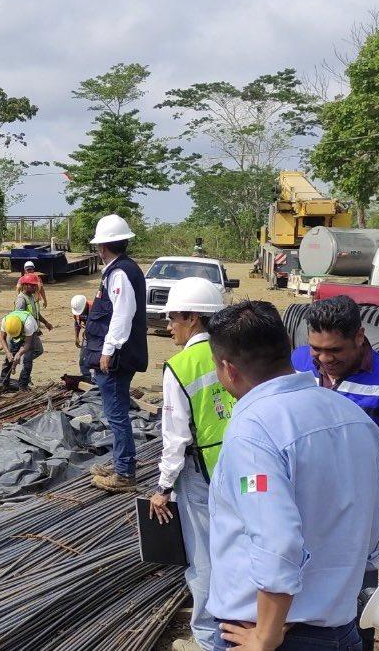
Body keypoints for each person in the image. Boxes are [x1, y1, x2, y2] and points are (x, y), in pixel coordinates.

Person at [205, 300, 379, 651]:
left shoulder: (253, 430)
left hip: (270, 633)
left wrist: (266, 635)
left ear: (228, 368)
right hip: (338, 628)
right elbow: (371, 530)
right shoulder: (353, 417)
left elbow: (278, 540)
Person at [292, 295, 379, 651]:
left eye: (334, 350)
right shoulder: (296, 367)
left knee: (355, 615)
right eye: (316, 349)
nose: (324, 360)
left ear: (359, 336)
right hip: (298, 515)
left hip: (356, 522)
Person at [146, 278, 232, 651]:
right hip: (243, 467)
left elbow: (176, 437)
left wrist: (164, 487)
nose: (168, 327)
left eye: (173, 319)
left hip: (201, 474)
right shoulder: (234, 351)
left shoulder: (181, 366)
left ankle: (210, 637)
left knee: (203, 559)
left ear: (193, 317)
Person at [80, 214, 149, 494]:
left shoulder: (119, 273)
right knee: (116, 412)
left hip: (117, 357)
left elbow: (122, 314)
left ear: (103, 246)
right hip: (119, 353)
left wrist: (108, 351)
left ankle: (124, 473)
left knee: (116, 413)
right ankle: (122, 463)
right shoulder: (121, 270)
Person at [0, 310, 41, 390]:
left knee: (27, 360)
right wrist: (8, 353)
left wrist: (19, 354)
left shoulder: (28, 323)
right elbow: (2, 338)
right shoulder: (5, 321)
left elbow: (27, 344)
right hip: (16, 333)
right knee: (8, 359)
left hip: (30, 335)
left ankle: (23, 386)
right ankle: (3, 384)